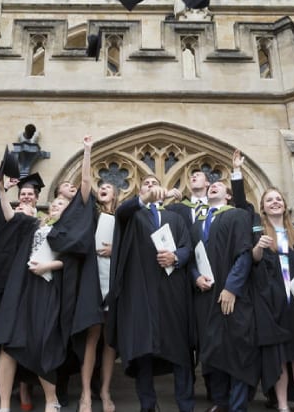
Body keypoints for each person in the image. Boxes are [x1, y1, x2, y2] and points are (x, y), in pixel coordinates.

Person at [0, 138, 95, 412]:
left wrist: (86, 152)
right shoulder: (33, 224)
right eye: (56, 203)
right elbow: (9, 216)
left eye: (63, 204)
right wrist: (2, 190)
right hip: (23, 288)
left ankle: (51, 400)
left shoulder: (70, 230)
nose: (58, 206)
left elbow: (72, 261)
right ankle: (3, 405)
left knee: (43, 342)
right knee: (7, 342)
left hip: (50, 289)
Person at [108, 174, 195, 412]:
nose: (150, 186)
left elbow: (188, 247)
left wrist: (176, 257)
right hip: (140, 290)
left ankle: (186, 405)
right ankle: (147, 405)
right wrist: (142, 199)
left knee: (179, 351)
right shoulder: (133, 215)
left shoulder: (175, 218)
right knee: (143, 350)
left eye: (154, 183)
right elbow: (121, 212)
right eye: (145, 183)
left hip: (172, 292)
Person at [189, 180, 257, 412]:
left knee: (236, 349)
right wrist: (196, 276)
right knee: (211, 349)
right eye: (211, 186)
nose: (213, 186)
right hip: (205, 295)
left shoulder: (237, 215)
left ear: (228, 196)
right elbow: (191, 257)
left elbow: (244, 254)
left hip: (231, 294)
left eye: (219, 185)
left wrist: (231, 288)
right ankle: (220, 401)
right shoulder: (198, 223)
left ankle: (238, 405)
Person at [256, 188, 294, 412]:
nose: (275, 202)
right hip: (273, 302)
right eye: (269, 200)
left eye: (278, 199)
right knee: (278, 357)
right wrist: (258, 248)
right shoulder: (260, 231)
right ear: (262, 207)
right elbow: (254, 261)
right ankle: (282, 405)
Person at [78, 180, 120, 412]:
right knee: (91, 338)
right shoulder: (90, 215)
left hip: (112, 282)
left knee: (110, 341)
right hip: (92, 281)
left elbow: (133, 247)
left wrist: (116, 250)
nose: (102, 189)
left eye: (108, 187)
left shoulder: (122, 217)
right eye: (100, 186)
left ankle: (104, 390)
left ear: (115, 194)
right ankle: (85, 393)